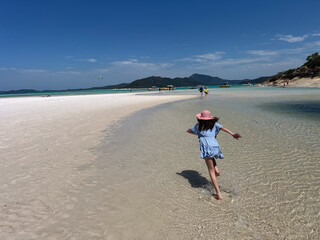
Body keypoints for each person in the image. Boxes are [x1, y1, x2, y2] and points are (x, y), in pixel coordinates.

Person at [186, 110, 242, 200]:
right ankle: (216, 169)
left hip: (206, 146)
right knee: (211, 158)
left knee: (210, 171)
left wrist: (199, 134)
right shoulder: (215, 124)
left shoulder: (199, 126)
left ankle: (218, 194)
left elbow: (188, 131)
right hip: (215, 145)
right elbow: (224, 128)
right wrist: (233, 134)